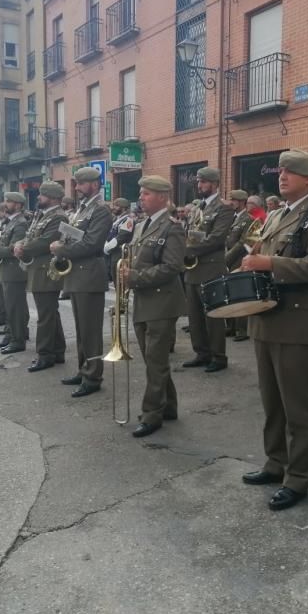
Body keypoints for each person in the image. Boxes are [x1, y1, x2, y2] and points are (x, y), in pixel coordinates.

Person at [238, 149, 308, 511]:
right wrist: (250, 265)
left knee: (297, 407)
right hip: (266, 317)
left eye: (291, 172)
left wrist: (268, 262)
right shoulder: (278, 214)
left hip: (296, 320)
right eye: (281, 171)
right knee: (272, 403)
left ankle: (298, 477)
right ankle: (275, 463)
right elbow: (262, 254)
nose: (282, 176)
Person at [121, 176, 186, 438]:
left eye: (146, 194)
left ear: (161, 196)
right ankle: (168, 406)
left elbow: (172, 267)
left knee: (155, 361)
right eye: (141, 193)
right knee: (152, 359)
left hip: (162, 301)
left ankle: (152, 414)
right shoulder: (142, 225)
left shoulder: (172, 227)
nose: (141, 198)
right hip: (145, 299)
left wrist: (134, 277)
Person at [52, 166, 113, 398]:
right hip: (78, 275)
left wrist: (63, 249)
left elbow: (92, 243)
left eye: (80, 183)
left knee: (90, 331)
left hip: (90, 274)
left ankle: (93, 376)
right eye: (76, 183)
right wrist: (62, 242)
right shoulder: (82, 210)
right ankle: (83, 369)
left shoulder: (101, 210)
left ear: (94, 185)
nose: (76, 188)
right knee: (81, 328)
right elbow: (76, 236)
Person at [182, 166, 235, 373]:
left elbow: (216, 239)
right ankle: (202, 353)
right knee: (194, 315)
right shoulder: (197, 209)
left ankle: (218, 356)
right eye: (198, 182)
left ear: (214, 184)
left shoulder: (224, 208)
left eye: (203, 182)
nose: (199, 185)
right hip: (193, 268)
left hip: (211, 268)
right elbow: (190, 233)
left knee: (213, 315)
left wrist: (187, 250)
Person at [14, 181, 67, 372]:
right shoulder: (43, 215)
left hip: (46, 271)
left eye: (42, 195)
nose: (38, 197)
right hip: (38, 269)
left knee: (45, 315)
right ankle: (58, 350)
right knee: (51, 312)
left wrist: (23, 249)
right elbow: (31, 235)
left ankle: (45, 354)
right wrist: (21, 244)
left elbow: (46, 242)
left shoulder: (58, 217)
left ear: (52, 197)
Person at [0, 192, 31, 354]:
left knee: (15, 307)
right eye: (6, 200)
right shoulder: (9, 222)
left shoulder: (20, 223)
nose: (5, 203)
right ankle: (13, 335)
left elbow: (14, 249)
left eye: (9, 201)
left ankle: (17, 340)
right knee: (12, 306)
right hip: (7, 270)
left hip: (15, 271)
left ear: (19, 205)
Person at [224, 189, 256, 341]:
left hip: (238, 260)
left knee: (240, 294)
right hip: (228, 259)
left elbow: (244, 242)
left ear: (242, 202)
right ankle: (230, 326)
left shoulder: (248, 219)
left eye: (234, 200)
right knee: (229, 294)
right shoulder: (232, 217)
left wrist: (227, 257)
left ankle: (242, 330)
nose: (232, 203)